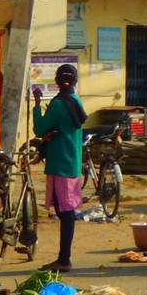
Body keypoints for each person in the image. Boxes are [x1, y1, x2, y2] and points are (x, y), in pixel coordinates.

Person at [33, 64, 85, 272]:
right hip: (72, 162)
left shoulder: (58, 104)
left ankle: (64, 259)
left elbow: (39, 129)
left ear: (56, 81)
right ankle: (64, 258)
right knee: (67, 211)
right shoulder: (76, 100)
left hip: (59, 163)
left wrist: (37, 104)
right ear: (74, 81)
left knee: (65, 213)